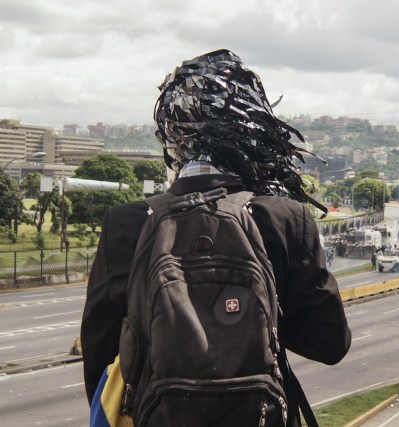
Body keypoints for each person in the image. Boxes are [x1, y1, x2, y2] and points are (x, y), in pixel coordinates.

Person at [81, 49, 351, 427]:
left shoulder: (125, 223)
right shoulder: (285, 218)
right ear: (253, 128)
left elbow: (99, 359)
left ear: (171, 134)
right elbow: (330, 344)